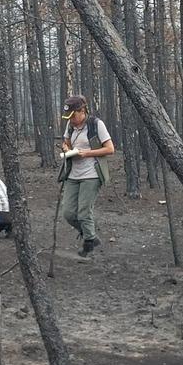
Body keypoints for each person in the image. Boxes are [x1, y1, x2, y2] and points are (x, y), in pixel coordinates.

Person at [60, 95, 114, 257]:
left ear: (81, 111)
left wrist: (88, 153)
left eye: (73, 116)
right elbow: (66, 142)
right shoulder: (70, 126)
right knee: (68, 213)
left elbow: (110, 149)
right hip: (73, 174)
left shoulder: (96, 124)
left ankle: (89, 243)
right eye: (68, 117)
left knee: (84, 212)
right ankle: (90, 235)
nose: (71, 120)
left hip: (92, 173)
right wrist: (66, 149)